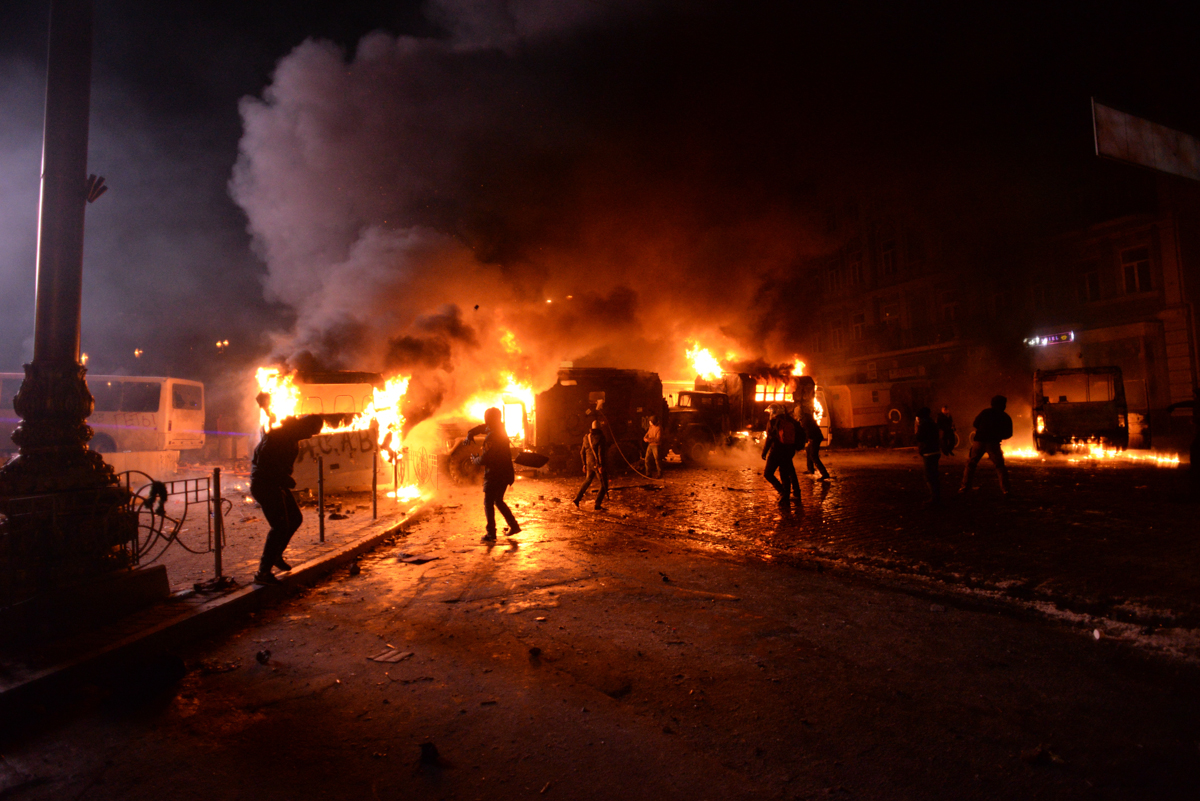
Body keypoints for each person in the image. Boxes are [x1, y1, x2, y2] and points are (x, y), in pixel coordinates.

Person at [251, 414, 325, 585]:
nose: (311, 436)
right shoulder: (277, 437)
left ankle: (276, 554)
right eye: (312, 431)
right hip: (264, 485)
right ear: (304, 426)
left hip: (276, 484)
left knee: (295, 518)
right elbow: (263, 465)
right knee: (279, 525)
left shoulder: (291, 438)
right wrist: (283, 479)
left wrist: (284, 479)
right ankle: (263, 572)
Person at [467, 407, 521, 542]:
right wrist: (471, 432)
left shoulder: (492, 435)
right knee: (498, 500)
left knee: (488, 502)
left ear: (488, 419)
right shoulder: (500, 429)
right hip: (505, 472)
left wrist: (475, 460)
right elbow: (484, 427)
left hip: (495, 474)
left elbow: (486, 458)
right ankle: (514, 526)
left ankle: (491, 533)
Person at [960, 395, 1013, 495]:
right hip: (993, 443)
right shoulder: (1004, 416)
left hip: (979, 442)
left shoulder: (985, 412)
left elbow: (975, 424)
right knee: (1000, 466)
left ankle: (964, 487)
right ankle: (1005, 490)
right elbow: (1009, 433)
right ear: (1002, 405)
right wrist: (999, 436)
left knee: (971, 464)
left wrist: (983, 430)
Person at [762, 404, 800, 506]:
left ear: (773, 412)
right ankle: (786, 496)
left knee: (768, 473)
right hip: (788, 451)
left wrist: (764, 452)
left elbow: (769, 438)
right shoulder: (790, 421)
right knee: (785, 474)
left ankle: (781, 491)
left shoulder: (772, 422)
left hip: (776, 451)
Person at [574, 420, 609, 510]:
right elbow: (601, 453)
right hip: (597, 464)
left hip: (589, 463)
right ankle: (597, 504)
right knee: (604, 484)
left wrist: (584, 464)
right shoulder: (601, 437)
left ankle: (577, 499)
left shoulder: (586, 437)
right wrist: (601, 465)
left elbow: (582, 452)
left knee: (587, 481)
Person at [915, 406, 942, 503]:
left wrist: (917, 427)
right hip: (935, 451)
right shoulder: (932, 423)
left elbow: (919, 437)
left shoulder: (923, 424)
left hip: (928, 452)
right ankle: (937, 495)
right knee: (934, 475)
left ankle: (934, 498)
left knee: (929, 476)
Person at [800, 409, 830, 481]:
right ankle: (810, 469)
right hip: (815, 437)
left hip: (815, 438)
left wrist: (806, 440)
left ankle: (824, 473)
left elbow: (807, 432)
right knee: (809, 451)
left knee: (813, 455)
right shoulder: (806, 418)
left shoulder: (805, 421)